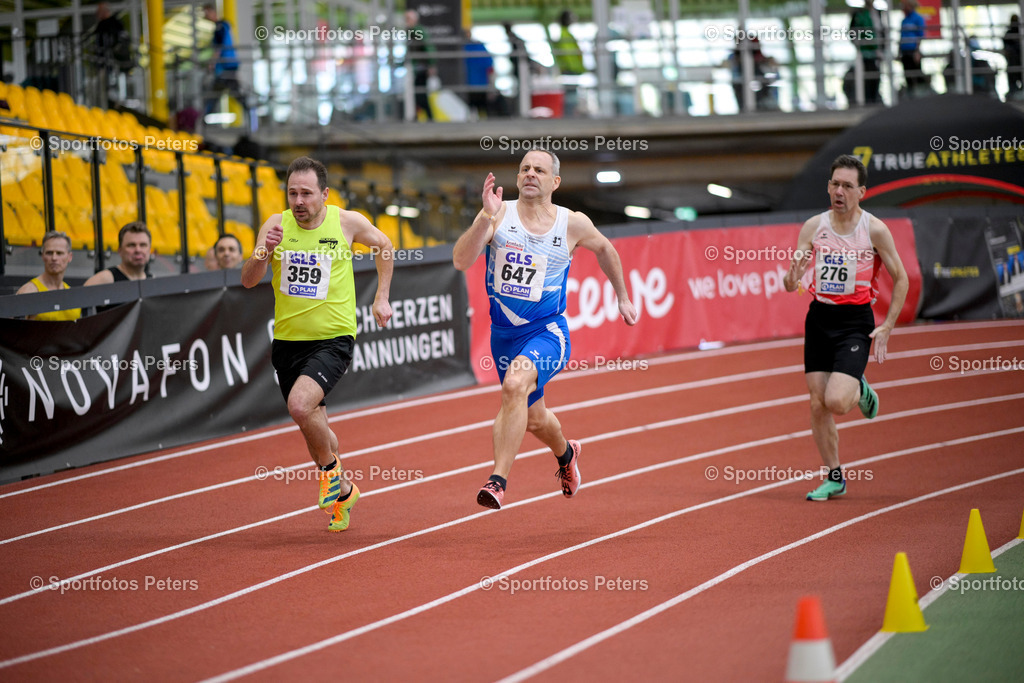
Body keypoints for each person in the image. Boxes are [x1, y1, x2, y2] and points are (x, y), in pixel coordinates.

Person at [452, 150, 637, 509]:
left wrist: (623, 297)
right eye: (524, 169)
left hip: (547, 331)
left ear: (555, 182)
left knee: (514, 384)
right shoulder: (498, 213)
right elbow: (461, 260)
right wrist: (485, 217)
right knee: (534, 418)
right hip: (503, 335)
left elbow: (605, 248)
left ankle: (497, 481)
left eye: (539, 169)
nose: (530, 174)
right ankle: (567, 454)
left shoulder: (572, 223)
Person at [241, 156, 394, 532]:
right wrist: (263, 251)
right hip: (288, 342)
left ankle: (329, 472)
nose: (298, 201)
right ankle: (344, 491)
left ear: (324, 194)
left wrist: (381, 297)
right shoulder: (275, 225)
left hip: (333, 338)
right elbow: (248, 280)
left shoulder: (346, 222)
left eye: (306, 193)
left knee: (299, 405)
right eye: (292, 192)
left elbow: (385, 246)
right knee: (315, 424)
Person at [783, 155, 909, 501]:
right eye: (835, 184)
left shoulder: (875, 230)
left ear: (861, 192)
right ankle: (835, 476)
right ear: (828, 187)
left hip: (855, 323)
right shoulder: (813, 226)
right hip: (819, 318)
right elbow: (790, 280)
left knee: (837, 400)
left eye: (847, 186)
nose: (839, 191)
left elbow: (902, 279)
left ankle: (860, 390)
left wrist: (887, 326)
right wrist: (793, 275)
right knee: (816, 403)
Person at [16, 230, 82, 321]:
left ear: (69, 257)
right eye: (49, 253)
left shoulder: (72, 296)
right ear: (43, 256)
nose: (54, 258)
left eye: (59, 253)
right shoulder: (30, 291)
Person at [203, 3, 245, 123]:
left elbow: (219, 47)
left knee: (216, 95)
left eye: (206, 13)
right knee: (216, 95)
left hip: (225, 67)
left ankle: (202, 124)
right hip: (227, 66)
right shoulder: (224, 25)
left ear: (212, 12)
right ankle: (203, 123)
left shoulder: (220, 27)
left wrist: (212, 62)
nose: (205, 16)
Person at [84, 221, 153, 286]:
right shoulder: (105, 279)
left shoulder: (152, 281)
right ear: (120, 250)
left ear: (149, 249)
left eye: (143, 245)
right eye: (131, 245)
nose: (138, 250)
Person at [845, 5, 882, 105]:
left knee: (875, 77)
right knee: (866, 78)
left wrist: (881, 49)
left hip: (876, 53)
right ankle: (868, 101)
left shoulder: (878, 12)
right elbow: (852, 32)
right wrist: (857, 44)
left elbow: (881, 31)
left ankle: (874, 100)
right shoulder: (859, 13)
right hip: (864, 53)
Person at [404, 9, 437, 121]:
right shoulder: (412, 32)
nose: (406, 21)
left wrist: (431, 64)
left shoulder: (417, 31)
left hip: (421, 68)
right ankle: (423, 117)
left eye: (408, 19)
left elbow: (428, 47)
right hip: (417, 68)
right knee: (418, 95)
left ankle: (429, 118)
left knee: (420, 95)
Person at [898, 0, 927, 95]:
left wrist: (917, 52)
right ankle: (911, 96)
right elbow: (901, 37)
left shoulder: (918, 18)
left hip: (913, 51)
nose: (903, 8)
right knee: (907, 75)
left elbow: (920, 36)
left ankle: (922, 96)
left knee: (917, 74)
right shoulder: (904, 20)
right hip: (904, 51)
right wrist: (899, 52)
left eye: (905, 6)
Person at [1004, 15, 1022, 99]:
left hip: (1017, 59)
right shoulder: (1010, 33)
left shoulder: (1017, 32)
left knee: (1014, 75)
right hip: (1014, 59)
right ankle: (1013, 91)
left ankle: (1014, 91)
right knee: (1013, 75)